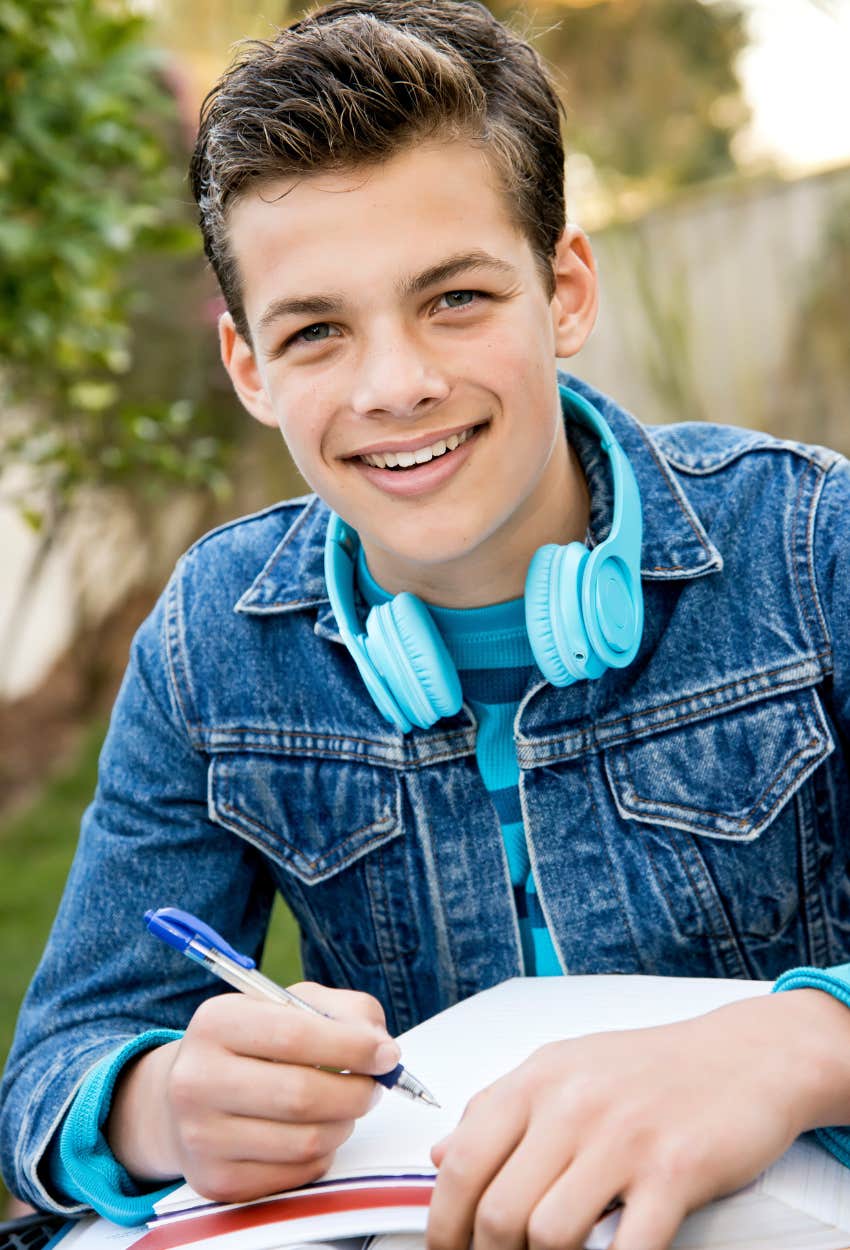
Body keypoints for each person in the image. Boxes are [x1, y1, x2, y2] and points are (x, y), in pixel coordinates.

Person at [3, 2, 850, 1247]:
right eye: (316, 331)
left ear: (561, 292)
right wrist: (164, 1105)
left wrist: (794, 1042)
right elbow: (54, 1061)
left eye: (453, 298)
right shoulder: (209, 642)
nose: (393, 383)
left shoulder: (812, 544)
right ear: (248, 368)